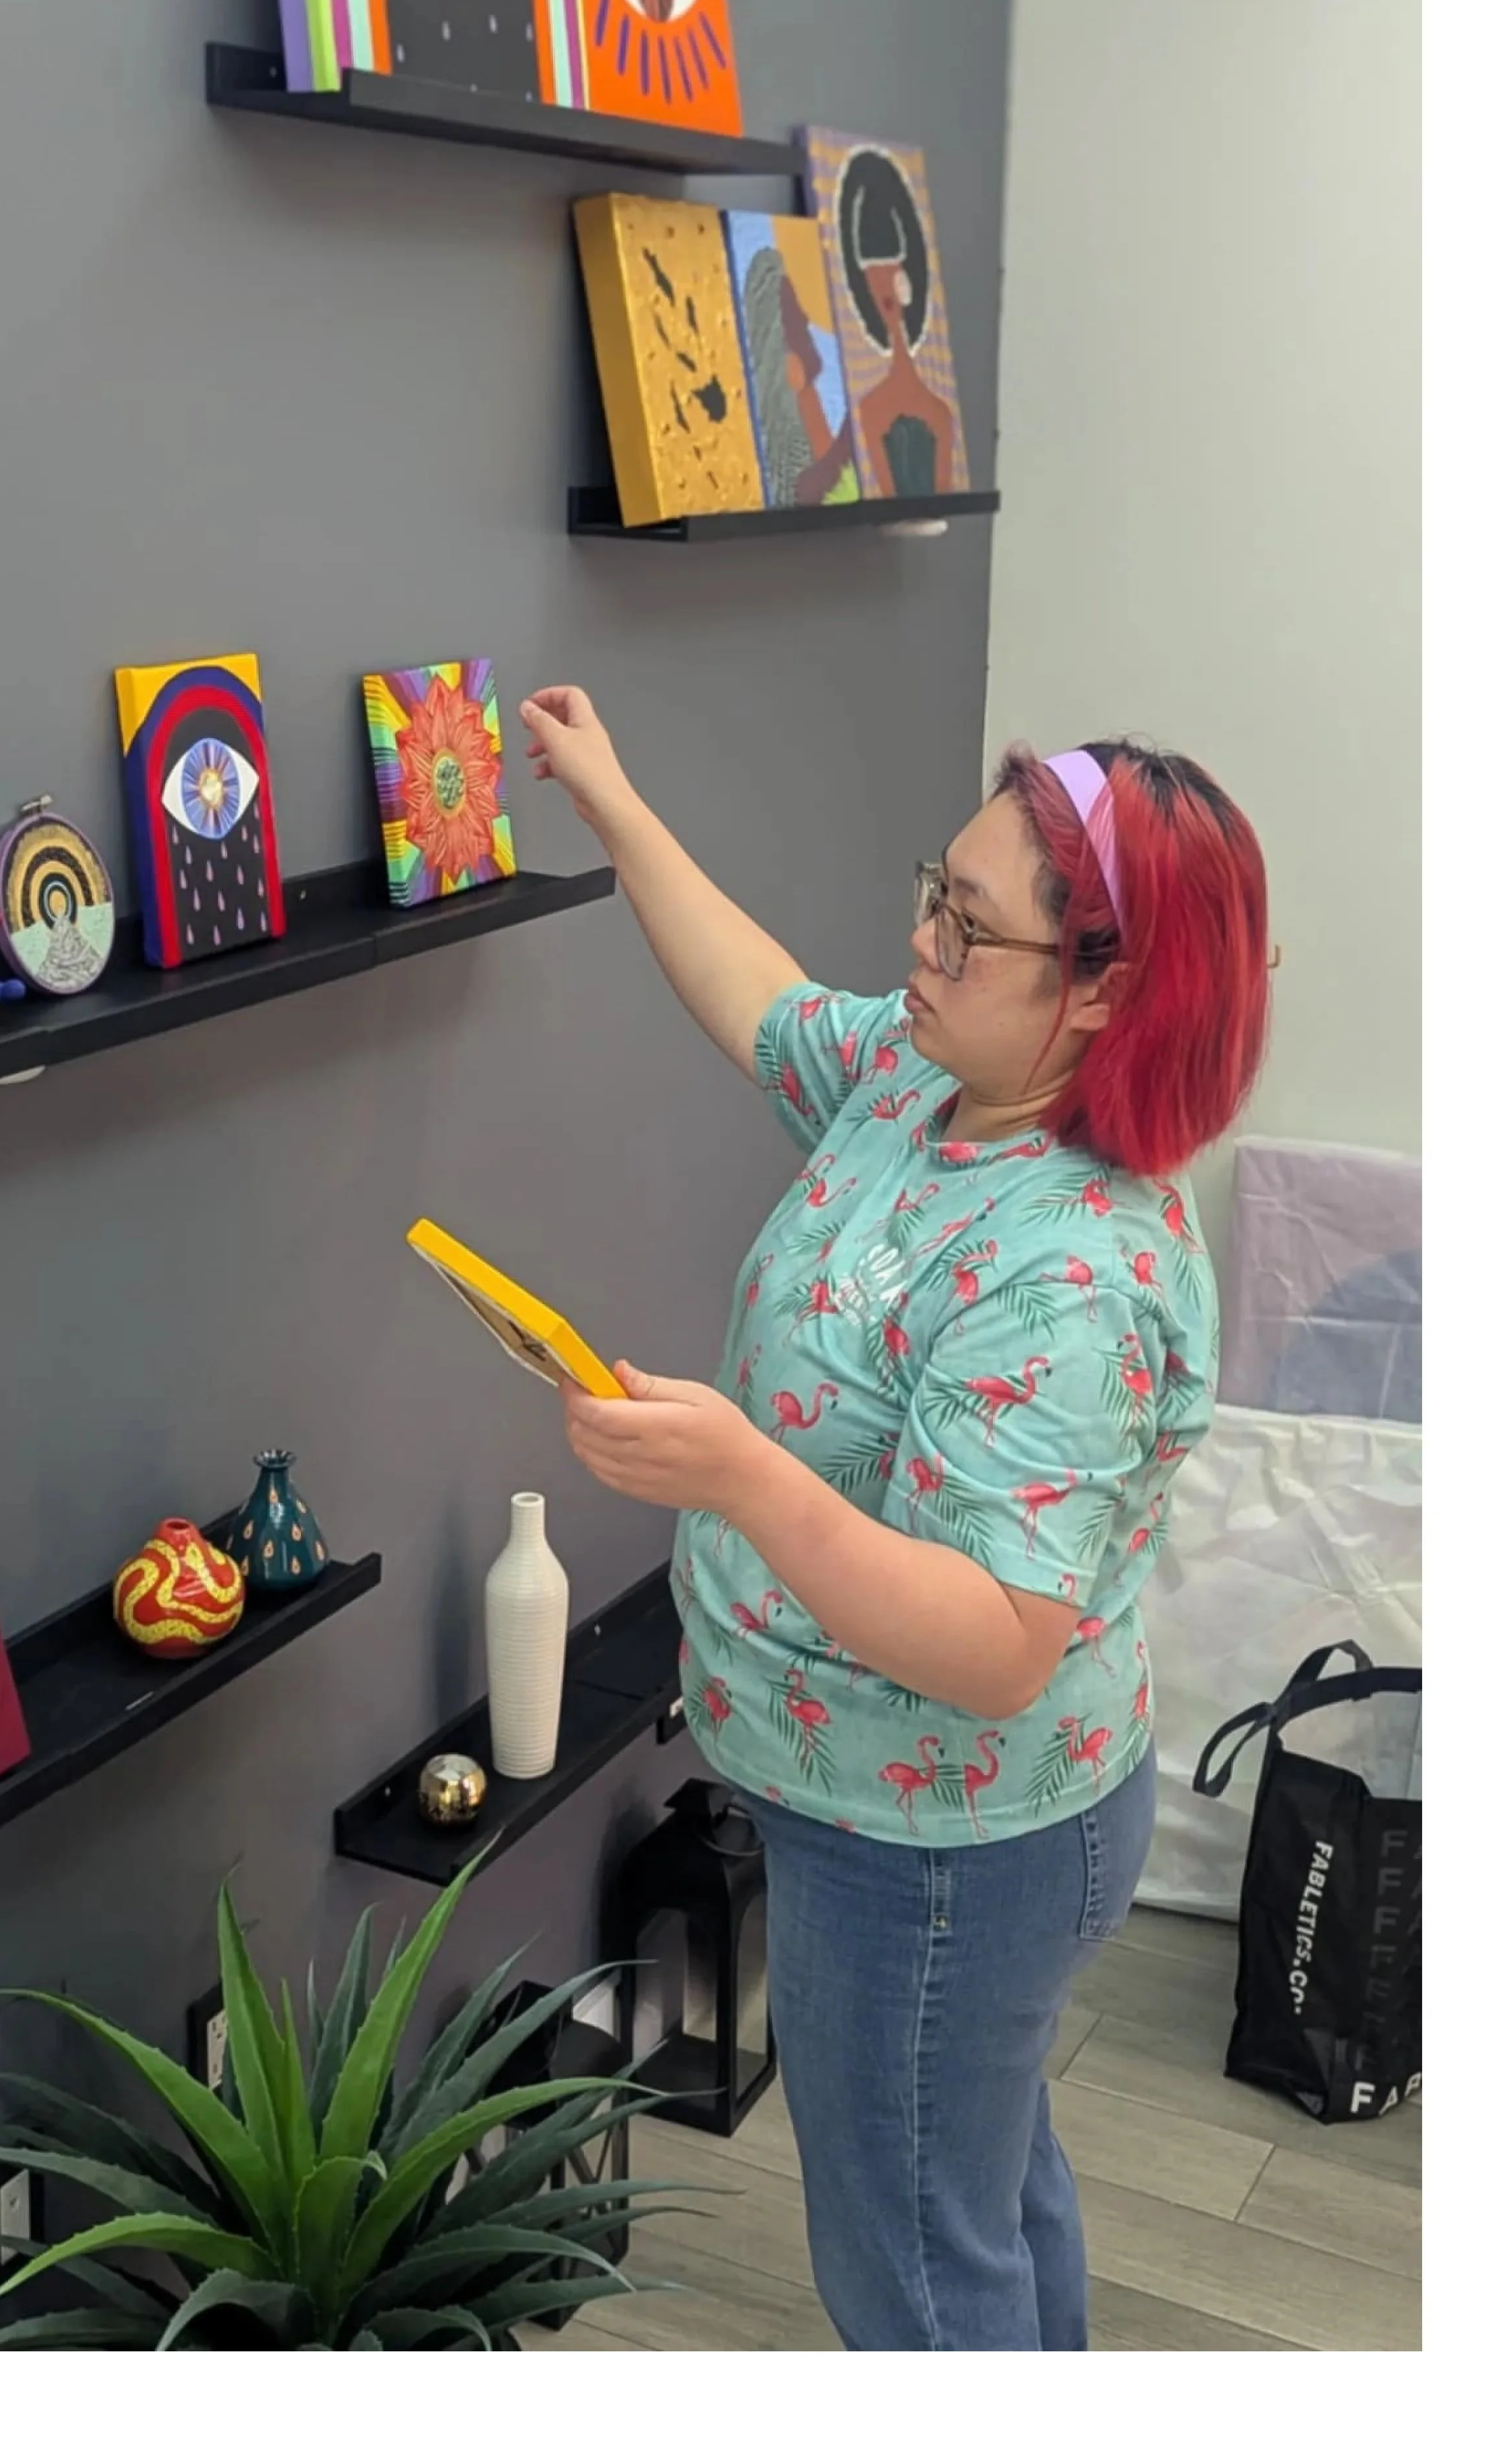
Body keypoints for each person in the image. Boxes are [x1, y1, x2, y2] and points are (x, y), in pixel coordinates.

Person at [521, 684, 1272, 2355]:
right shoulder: (923, 1084)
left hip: (941, 1846)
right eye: (939, 891)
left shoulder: (1074, 1272)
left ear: (1105, 994)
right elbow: (764, 1001)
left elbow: (999, 1645)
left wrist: (741, 1477)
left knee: (919, 2270)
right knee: (979, 2187)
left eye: (969, 926)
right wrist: (615, 802)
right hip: (898, 1813)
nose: (921, 942)